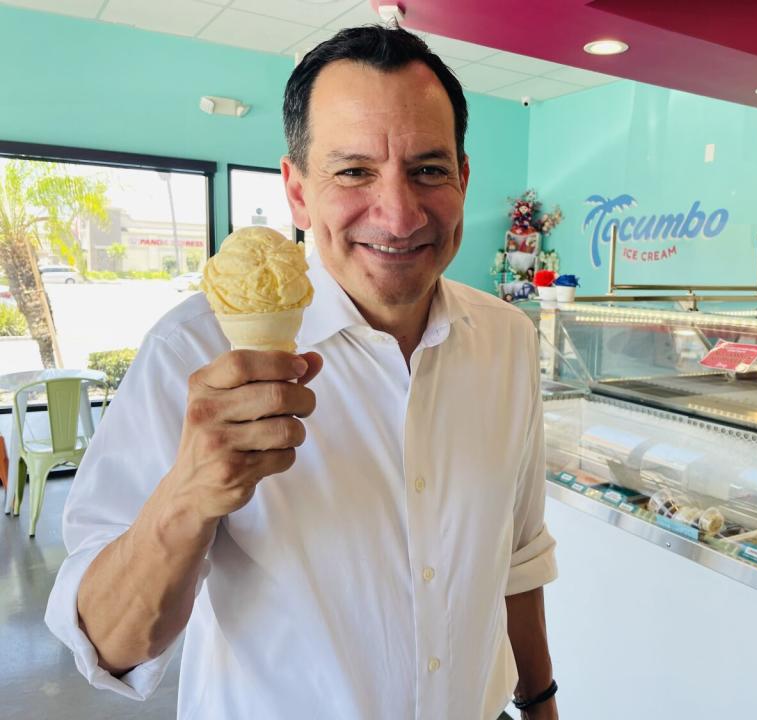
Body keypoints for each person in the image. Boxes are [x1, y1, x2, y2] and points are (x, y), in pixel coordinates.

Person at [45, 25, 559, 720]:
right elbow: (109, 644)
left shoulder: (508, 340)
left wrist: (540, 702)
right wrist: (189, 497)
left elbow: (518, 557)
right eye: (353, 171)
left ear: (464, 179)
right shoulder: (192, 353)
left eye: (429, 169)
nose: (400, 213)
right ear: (296, 191)